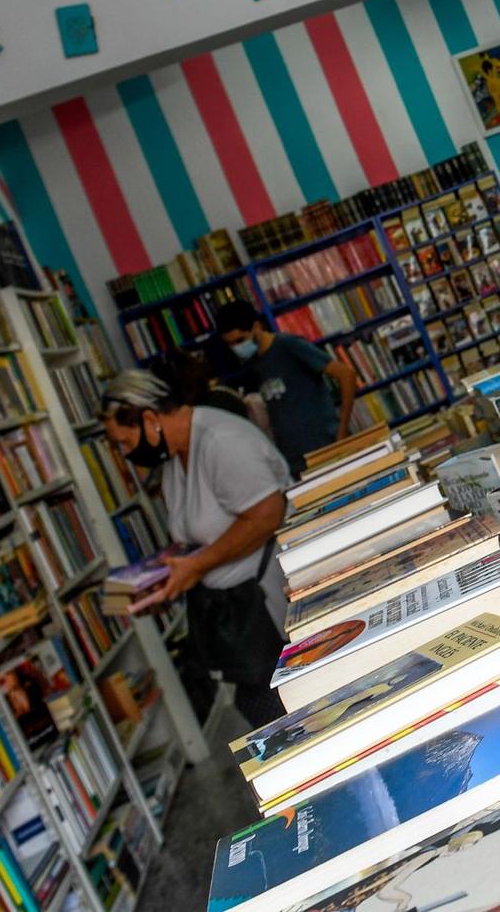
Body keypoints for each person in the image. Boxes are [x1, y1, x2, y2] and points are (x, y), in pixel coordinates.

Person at [101, 369, 289, 728]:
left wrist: (198, 565)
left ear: (150, 418)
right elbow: (197, 536)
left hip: (271, 607)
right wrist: (162, 578)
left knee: (283, 715)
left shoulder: (220, 440)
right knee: (263, 716)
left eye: (124, 442)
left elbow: (267, 515)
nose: (126, 454)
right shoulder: (175, 456)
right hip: (238, 615)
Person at [216, 299, 359, 479]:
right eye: (231, 344)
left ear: (256, 327)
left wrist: (342, 430)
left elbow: (345, 374)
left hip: (327, 447)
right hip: (295, 462)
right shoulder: (254, 365)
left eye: (240, 340)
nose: (237, 348)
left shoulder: (288, 345)